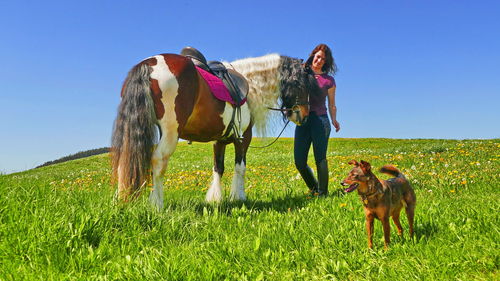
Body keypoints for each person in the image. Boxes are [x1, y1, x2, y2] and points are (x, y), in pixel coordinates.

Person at [295, 43, 340, 197]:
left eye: (323, 59)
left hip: (320, 121)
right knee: (299, 162)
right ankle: (314, 187)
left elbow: (332, 104)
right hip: (303, 121)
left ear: (325, 63)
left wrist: (334, 120)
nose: (319, 60)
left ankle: (323, 193)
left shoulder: (329, 80)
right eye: (318, 56)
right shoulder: (302, 73)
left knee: (320, 157)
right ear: (313, 55)